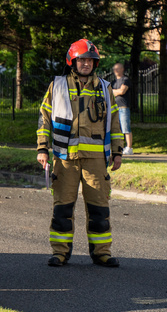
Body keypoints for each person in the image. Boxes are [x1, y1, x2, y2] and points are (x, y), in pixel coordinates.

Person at [36, 39, 124, 268]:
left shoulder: (105, 88)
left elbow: (114, 123)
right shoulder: (57, 85)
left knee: (99, 209)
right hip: (64, 159)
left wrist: (117, 152)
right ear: (73, 61)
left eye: (90, 60)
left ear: (95, 63)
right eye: (82, 60)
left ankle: (102, 253)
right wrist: (42, 148)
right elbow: (44, 119)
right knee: (62, 208)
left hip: (96, 161)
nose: (86, 64)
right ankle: (60, 253)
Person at [111, 63, 133, 155]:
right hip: (115, 108)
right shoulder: (113, 82)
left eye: (118, 69)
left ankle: (129, 147)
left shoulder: (125, 80)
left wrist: (114, 92)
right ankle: (119, 146)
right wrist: (117, 92)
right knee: (117, 129)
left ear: (122, 69)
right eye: (114, 69)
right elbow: (112, 93)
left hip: (123, 107)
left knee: (125, 127)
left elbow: (122, 91)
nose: (116, 70)